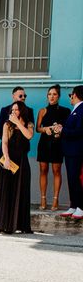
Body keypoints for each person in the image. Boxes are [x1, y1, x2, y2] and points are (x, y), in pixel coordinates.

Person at [0, 101, 34, 234]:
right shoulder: (6, 125)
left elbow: (29, 135)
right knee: (6, 191)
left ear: (22, 111)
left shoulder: (28, 124)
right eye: (13, 110)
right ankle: (3, 224)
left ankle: (21, 225)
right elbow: (4, 142)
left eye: (17, 110)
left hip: (22, 162)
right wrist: (7, 158)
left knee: (22, 191)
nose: (14, 112)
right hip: (9, 161)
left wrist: (18, 123)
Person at [36, 85, 70, 211]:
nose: (52, 96)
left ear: (58, 96)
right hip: (44, 143)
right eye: (49, 94)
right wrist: (45, 129)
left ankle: (56, 200)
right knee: (43, 170)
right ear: (47, 96)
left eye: (54, 94)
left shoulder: (65, 111)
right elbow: (38, 129)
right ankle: (43, 199)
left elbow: (67, 128)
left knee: (56, 171)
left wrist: (59, 130)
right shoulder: (42, 111)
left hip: (57, 144)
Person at [54, 86, 83, 220]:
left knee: (76, 179)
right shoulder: (75, 110)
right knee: (71, 179)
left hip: (76, 151)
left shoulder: (82, 109)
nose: (70, 97)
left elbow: (79, 131)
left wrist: (62, 131)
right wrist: (62, 128)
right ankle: (73, 205)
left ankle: (81, 207)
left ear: (75, 95)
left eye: (71, 95)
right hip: (70, 151)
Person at [0, 86, 34, 155]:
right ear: (13, 96)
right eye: (20, 96)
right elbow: (0, 132)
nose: (23, 98)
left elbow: (30, 134)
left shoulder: (29, 111)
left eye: (25, 96)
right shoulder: (5, 110)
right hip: (7, 150)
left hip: (22, 150)